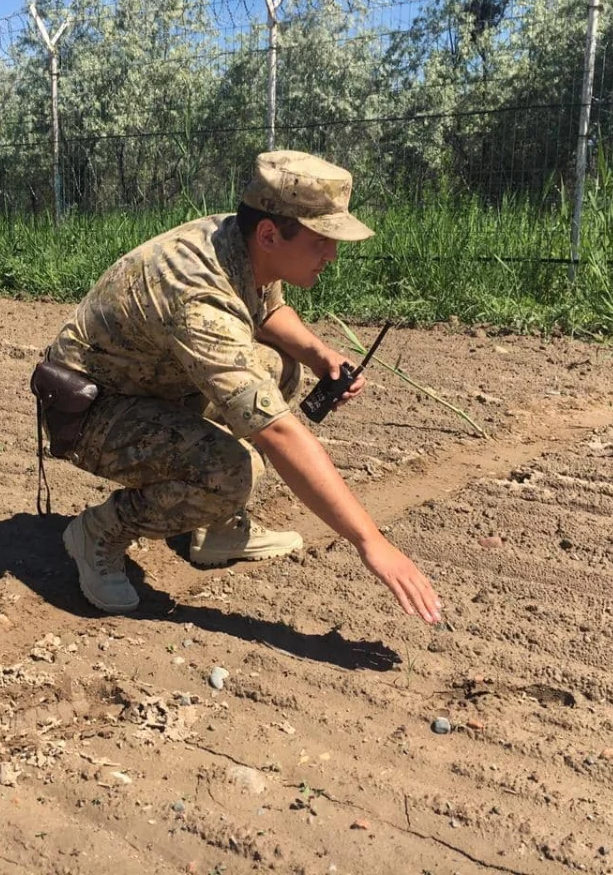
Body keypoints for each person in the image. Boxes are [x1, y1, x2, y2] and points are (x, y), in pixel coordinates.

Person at [36, 149, 442, 626]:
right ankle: (99, 532)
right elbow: (278, 433)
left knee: (281, 367)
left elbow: (266, 310)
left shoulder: (239, 240)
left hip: (156, 383)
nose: (332, 255)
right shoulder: (199, 296)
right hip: (93, 411)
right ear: (271, 234)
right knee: (229, 472)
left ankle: (216, 529)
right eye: (322, 241)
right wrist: (371, 542)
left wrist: (318, 355)